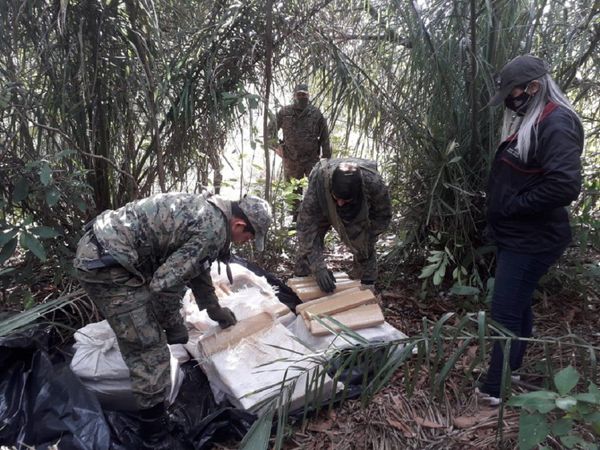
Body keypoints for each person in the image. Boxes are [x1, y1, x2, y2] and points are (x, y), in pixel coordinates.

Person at [73, 192, 271, 449]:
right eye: (249, 237)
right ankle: (154, 436)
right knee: (150, 350)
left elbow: (196, 269)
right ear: (239, 225)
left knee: (147, 329)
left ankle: (153, 414)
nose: (246, 242)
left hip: (108, 254)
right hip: (107, 264)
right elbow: (163, 286)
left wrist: (214, 310)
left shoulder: (212, 215)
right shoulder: (211, 230)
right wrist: (173, 324)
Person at [478, 55, 583, 404]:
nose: (510, 100)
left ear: (533, 88)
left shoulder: (558, 123)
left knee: (505, 310)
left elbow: (564, 185)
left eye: (514, 92)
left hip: (533, 238)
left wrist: (512, 207)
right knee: (517, 304)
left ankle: (495, 388)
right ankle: (513, 369)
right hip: (516, 234)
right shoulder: (533, 120)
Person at [294, 158, 392, 293]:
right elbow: (306, 228)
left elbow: (382, 216)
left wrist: (366, 239)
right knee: (306, 250)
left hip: (355, 207)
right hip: (323, 199)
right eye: (337, 198)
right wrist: (318, 266)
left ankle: (365, 283)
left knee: (363, 244)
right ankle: (301, 282)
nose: (340, 203)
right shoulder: (318, 185)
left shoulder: (373, 183)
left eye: (344, 200)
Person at [268, 83, 332, 220]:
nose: (302, 97)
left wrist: (326, 158)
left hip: (311, 160)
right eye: (299, 94)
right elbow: (269, 132)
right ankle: (294, 221)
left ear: (308, 96)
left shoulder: (316, 113)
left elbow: (325, 137)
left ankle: (317, 219)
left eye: (304, 94)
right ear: (294, 95)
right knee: (293, 194)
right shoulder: (284, 112)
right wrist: (277, 147)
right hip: (291, 160)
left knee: (317, 189)